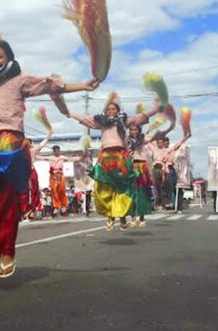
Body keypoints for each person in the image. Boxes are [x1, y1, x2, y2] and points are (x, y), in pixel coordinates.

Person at [0, 39, 97, 278]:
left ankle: (6, 252)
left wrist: (83, 86)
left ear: (9, 58)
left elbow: (50, 85)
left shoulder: (19, 79)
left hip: (10, 144)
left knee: (6, 200)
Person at [64, 96, 159, 231]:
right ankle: (110, 215)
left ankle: (122, 215)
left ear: (118, 110)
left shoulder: (124, 121)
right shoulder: (101, 122)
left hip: (120, 156)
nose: (110, 111)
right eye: (108, 109)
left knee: (122, 187)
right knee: (105, 186)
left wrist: (156, 110)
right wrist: (70, 114)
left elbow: (140, 117)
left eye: (113, 109)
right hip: (106, 156)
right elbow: (86, 120)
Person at [127, 124, 160, 228]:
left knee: (142, 193)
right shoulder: (127, 141)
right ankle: (133, 218)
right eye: (131, 129)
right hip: (131, 166)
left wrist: (165, 128)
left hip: (142, 167)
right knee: (132, 194)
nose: (133, 131)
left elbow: (155, 137)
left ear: (139, 130)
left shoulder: (143, 139)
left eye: (135, 129)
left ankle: (142, 218)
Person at [36, 145, 82, 217]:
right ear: (54, 152)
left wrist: (80, 158)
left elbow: (70, 159)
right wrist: (33, 154)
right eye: (56, 151)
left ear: (59, 151)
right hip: (53, 176)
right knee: (54, 191)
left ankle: (63, 206)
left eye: (58, 151)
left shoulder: (62, 157)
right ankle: (56, 206)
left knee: (62, 191)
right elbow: (41, 158)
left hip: (60, 176)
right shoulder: (50, 158)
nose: (57, 152)